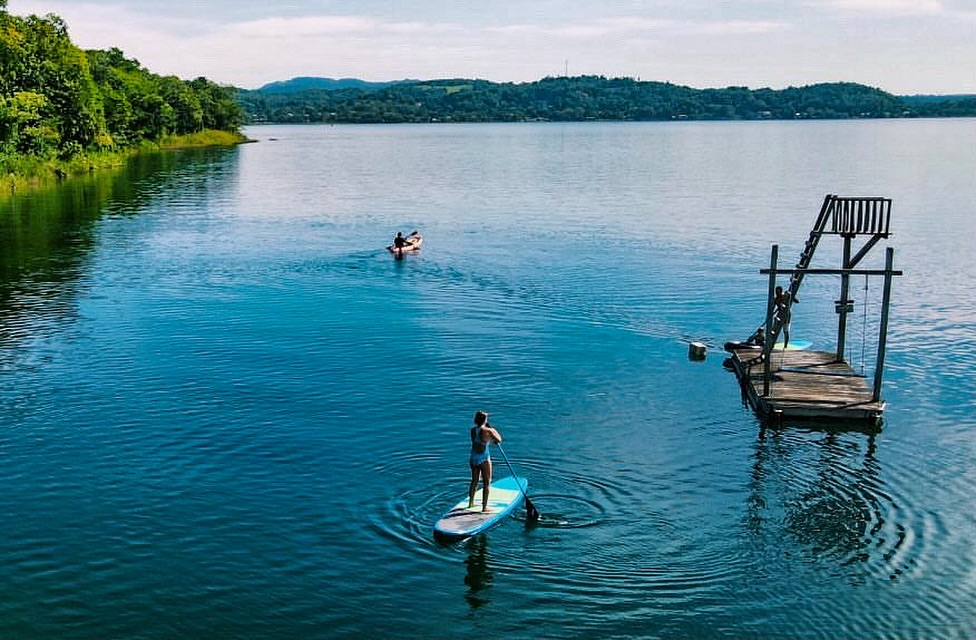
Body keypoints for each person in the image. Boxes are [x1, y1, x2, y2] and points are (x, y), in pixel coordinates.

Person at [468, 410, 502, 512]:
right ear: (485, 420)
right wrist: (493, 430)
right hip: (483, 458)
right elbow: (499, 439)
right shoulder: (489, 431)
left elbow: (480, 441)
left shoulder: (473, 430)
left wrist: (490, 440)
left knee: (474, 481)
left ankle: (471, 503)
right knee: (487, 482)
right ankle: (484, 507)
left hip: (473, 457)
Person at [774, 286, 792, 350]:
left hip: (787, 315)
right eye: (776, 292)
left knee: (785, 331)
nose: (777, 293)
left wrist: (790, 296)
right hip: (780, 314)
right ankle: (772, 342)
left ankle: (785, 346)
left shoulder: (785, 296)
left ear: (781, 291)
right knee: (775, 327)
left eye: (778, 292)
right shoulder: (776, 299)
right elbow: (773, 307)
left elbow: (796, 301)